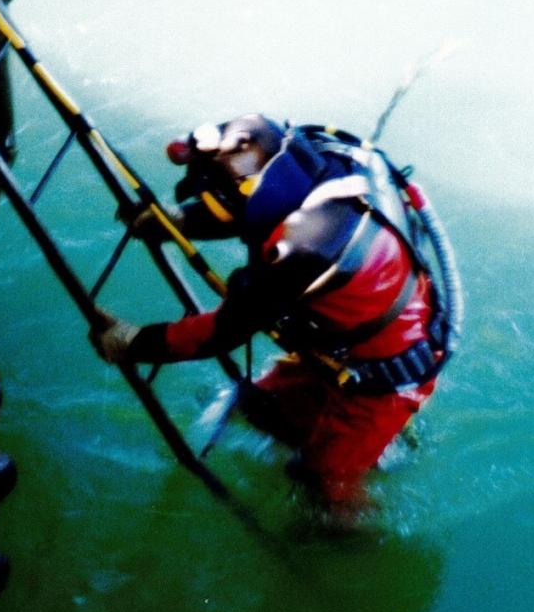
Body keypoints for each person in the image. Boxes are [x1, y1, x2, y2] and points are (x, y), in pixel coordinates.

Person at [92, 114, 453, 512]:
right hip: (350, 331)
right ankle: (379, 435)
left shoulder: (306, 250)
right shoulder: (291, 152)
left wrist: (133, 342)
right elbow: (243, 201)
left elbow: (221, 333)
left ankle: (350, 539)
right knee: (259, 410)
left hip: (382, 379)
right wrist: (176, 221)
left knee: (321, 479)